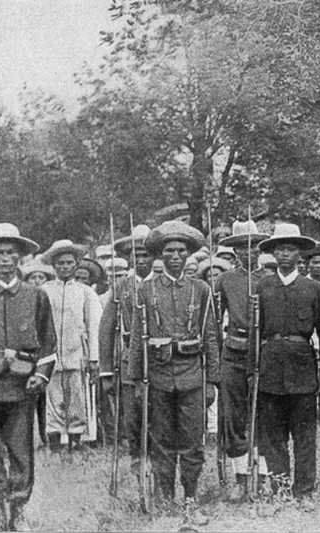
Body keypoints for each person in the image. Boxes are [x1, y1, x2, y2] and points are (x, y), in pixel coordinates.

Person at [126, 220, 218, 526]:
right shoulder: (146, 289)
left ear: (190, 254)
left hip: (193, 376)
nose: (175, 256)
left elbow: (211, 336)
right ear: (159, 255)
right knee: (161, 440)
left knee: (193, 442)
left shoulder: (201, 289)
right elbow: (137, 338)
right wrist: (136, 380)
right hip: (158, 377)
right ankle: (166, 498)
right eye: (169, 251)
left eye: (181, 250)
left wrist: (212, 381)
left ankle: (191, 498)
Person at [252, 223, 320, 503]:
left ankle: (304, 491)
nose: (285, 254)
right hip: (270, 367)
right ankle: (280, 488)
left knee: (304, 436)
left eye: (290, 249)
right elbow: (254, 333)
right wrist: (254, 369)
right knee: (272, 435)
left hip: (302, 367)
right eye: (280, 249)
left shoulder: (313, 288)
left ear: (300, 254)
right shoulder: (262, 287)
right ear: (273, 253)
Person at [0, 223, 56, 530]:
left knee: (21, 452)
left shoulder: (36, 296)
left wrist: (41, 376)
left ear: (20, 258)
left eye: (10, 253)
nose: (4, 259)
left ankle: (18, 509)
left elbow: (48, 342)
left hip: (21, 387)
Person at [213, 219, 268, 502]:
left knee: (263, 414)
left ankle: (264, 476)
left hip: (264, 354)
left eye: (254, 247)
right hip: (234, 353)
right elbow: (212, 323)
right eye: (242, 248)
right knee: (234, 416)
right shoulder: (224, 280)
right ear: (234, 251)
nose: (249, 253)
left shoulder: (269, 279)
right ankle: (240, 477)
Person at [42, 239, 103, 452]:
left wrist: (94, 358)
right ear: (53, 265)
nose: (65, 267)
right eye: (60, 263)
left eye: (69, 263)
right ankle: (55, 445)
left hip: (77, 355)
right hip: (51, 357)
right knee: (54, 400)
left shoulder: (85, 292)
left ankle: (76, 443)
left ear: (76, 264)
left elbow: (94, 326)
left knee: (76, 401)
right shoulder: (45, 291)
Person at [99, 224, 151, 461]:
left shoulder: (161, 282)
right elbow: (106, 328)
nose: (140, 260)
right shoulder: (121, 287)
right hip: (130, 358)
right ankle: (136, 456)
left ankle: (157, 457)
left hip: (159, 357)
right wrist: (106, 370)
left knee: (157, 412)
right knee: (132, 413)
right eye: (135, 255)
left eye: (145, 254)